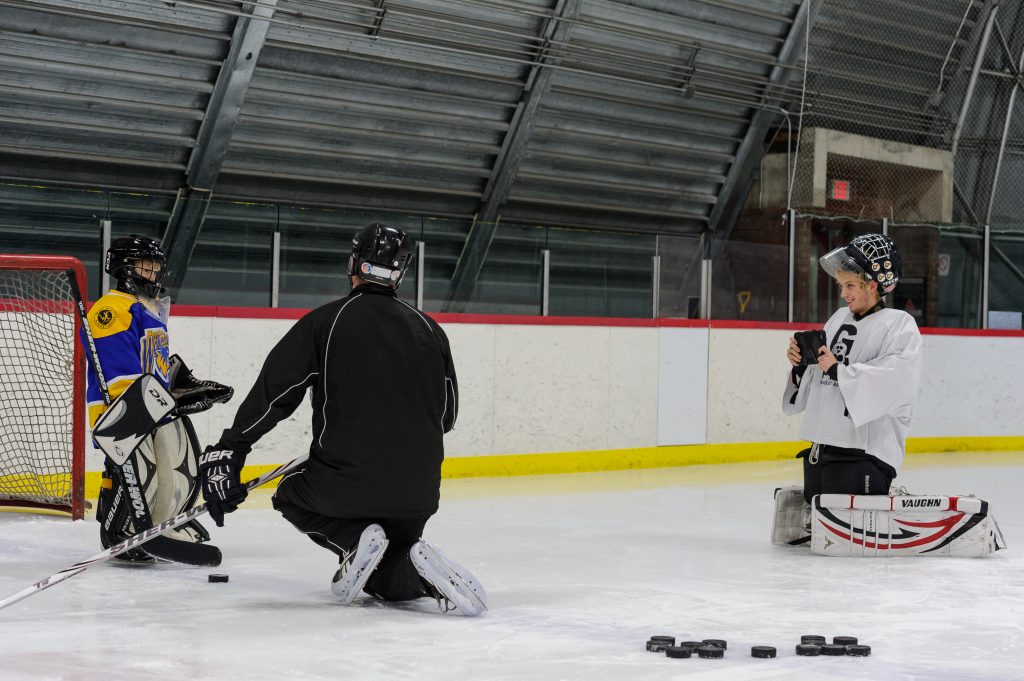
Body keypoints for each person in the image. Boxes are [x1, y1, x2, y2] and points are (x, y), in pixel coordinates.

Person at [198, 223, 486, 615]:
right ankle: (418, 568)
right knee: (387, 578)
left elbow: (274, 396)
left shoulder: (325, 323)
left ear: (353, 263)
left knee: (290, 494)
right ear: (401, 272)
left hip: (345, 486)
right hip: (418, 494)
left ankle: (352, 540)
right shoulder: (430, 329)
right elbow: (447, 416)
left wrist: (231, 450)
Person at [85, 235, 233, 562]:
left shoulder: (148, 309)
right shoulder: (112, 309)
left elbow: (155, 365)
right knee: (133, 473)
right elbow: (121, 376)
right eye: (145, 265)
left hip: (151, 409)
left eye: (155, 266)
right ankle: (118, 533)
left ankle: (154, 528)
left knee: (165, 475)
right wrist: (164, 400)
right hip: (122, 413)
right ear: (124, 267)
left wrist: (184, 385)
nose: (153, 272)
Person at [782, 233, 922, 504]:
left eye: (850, 285)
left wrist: (839, 371)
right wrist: (801, 367)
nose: (843, 294)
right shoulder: (837, 319)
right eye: (841, 286)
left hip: (865, 454)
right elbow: (820, 383)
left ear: (872, 284)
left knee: (842, 536)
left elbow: (896, 381)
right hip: (824, 448)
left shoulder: (899, 324)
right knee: (823, 530)